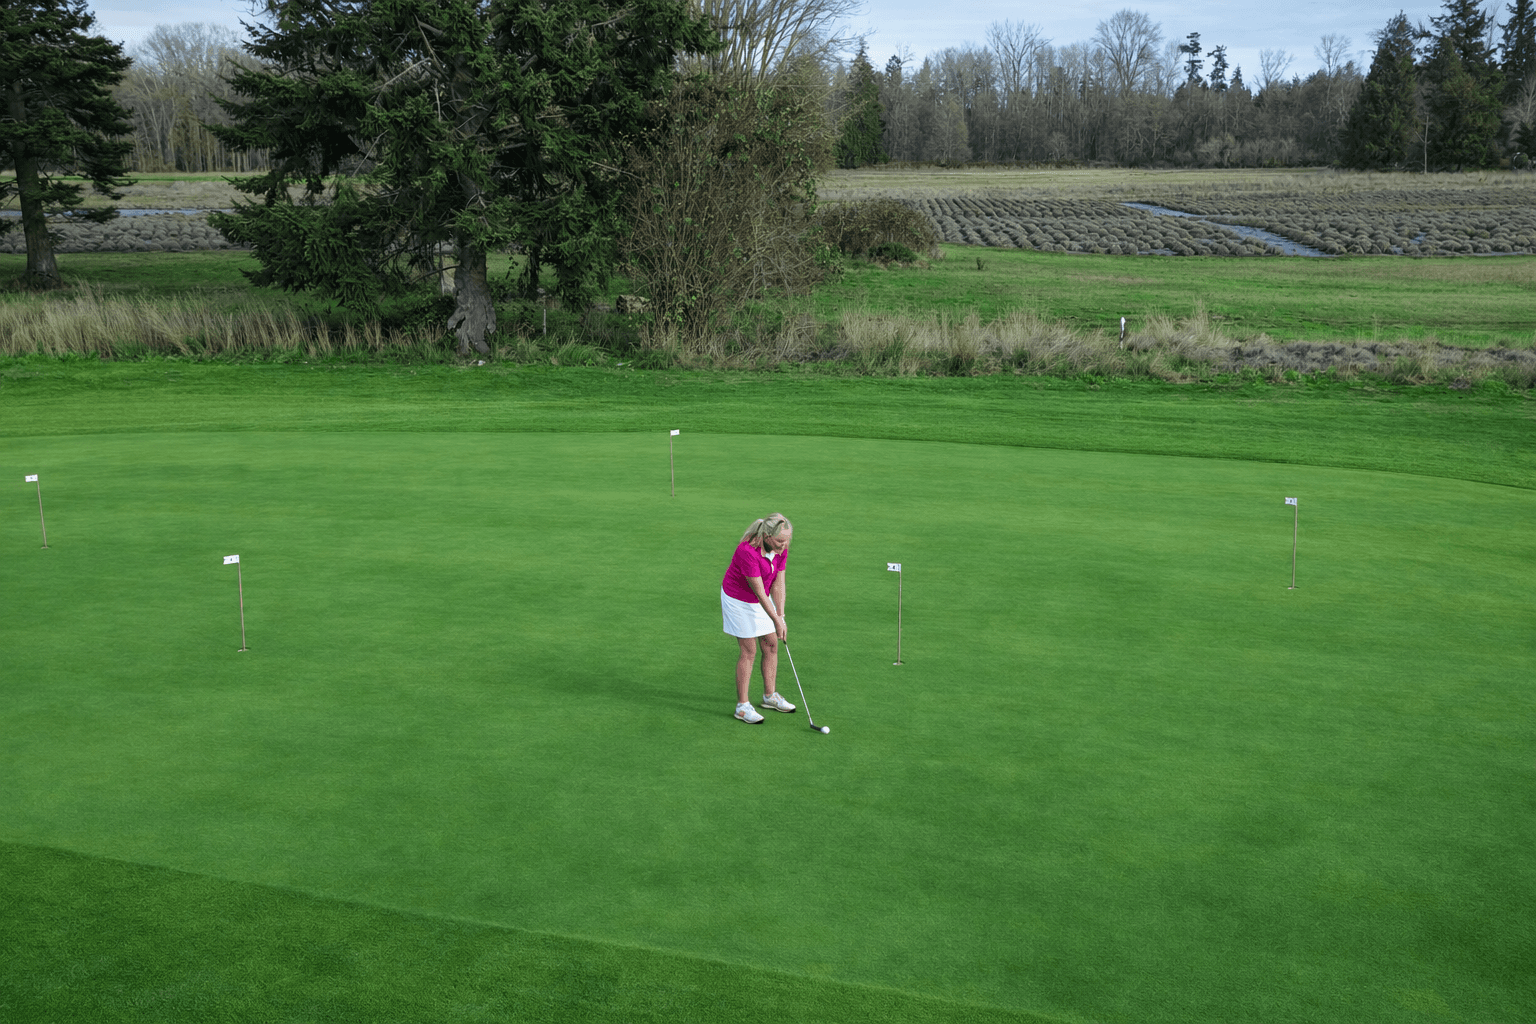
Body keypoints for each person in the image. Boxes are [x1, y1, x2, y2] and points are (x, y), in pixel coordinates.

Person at [720, 514, 797, 723]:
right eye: (780, 541)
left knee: (771, 644)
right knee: (749, 650)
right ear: (767, 536)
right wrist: (776, 619)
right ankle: (742, 707)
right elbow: (760, 592)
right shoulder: (747, 552)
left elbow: (778, 583)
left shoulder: (781, 548)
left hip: (759, 599)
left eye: (787, 540)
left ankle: (769, 696)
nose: (784, 545)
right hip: (738, 600)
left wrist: (781, 616)